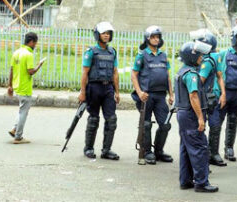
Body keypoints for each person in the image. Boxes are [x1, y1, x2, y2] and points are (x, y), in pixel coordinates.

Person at [175, 41, 219, 193]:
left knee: (186, 148)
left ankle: (186, 180)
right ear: (192, 56)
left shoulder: (182, 71)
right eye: (199, 55)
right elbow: (193, 96)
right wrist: (200, 118)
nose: (201, 57)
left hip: (182, 113)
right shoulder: (192, 75)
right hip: (190, 114)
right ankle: (201, 183)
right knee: (200, 147)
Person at [131, 25, 174, 165]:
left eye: (158, 37)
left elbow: (168, 76)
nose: (156, 39)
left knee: (165, 124)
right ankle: (147, 152)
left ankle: (159, 151)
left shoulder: (163, 56)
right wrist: (139, 92)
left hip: (161, 95)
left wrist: (171, 94)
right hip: (146, 95)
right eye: (153, 37)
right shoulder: (142, 55)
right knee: (147, 124)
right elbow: (134, 75)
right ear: (147, 38)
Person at [78, 22, 121, 160]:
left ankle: (106, 150)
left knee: (111, 119)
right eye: (104, 33)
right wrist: (82, 92)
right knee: (94, 119)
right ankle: (89, 148)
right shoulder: (91, 52)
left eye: (108, 33)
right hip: (94, 88)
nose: (106, 35)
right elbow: (85, 73)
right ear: (98, 35)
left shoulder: (112, 52)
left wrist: (117, 92)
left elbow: (115, 73)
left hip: (108, 88)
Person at [191, 29, 227, 167]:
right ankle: (203, 155)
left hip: (212, 98)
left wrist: (223, 93)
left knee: (215, 125)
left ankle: (214, 153)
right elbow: (199, 81)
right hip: (203, 98)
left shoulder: (212, 58)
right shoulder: (203, 61)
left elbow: (219, 76)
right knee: (201, 126)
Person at [216, 24, 237, 162]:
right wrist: (222, 93)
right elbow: (219, 75)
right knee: (218, 121)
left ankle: (229, 148)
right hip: (225, 92)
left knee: (233, 121)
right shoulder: (224, 54)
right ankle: (213, 150)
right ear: (234, 39)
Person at [7, 32, 45, 144]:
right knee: (24, 112)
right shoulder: (28, 54)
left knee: (22, 110)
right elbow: (30, 71)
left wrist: (10, 86)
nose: (35, 46)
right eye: (35, 43)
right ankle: (18, 137)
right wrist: (39, 65)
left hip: (17, 86)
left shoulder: (16, 52)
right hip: (25, 88)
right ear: (31, 42)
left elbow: (12, 70)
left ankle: (15, 129)